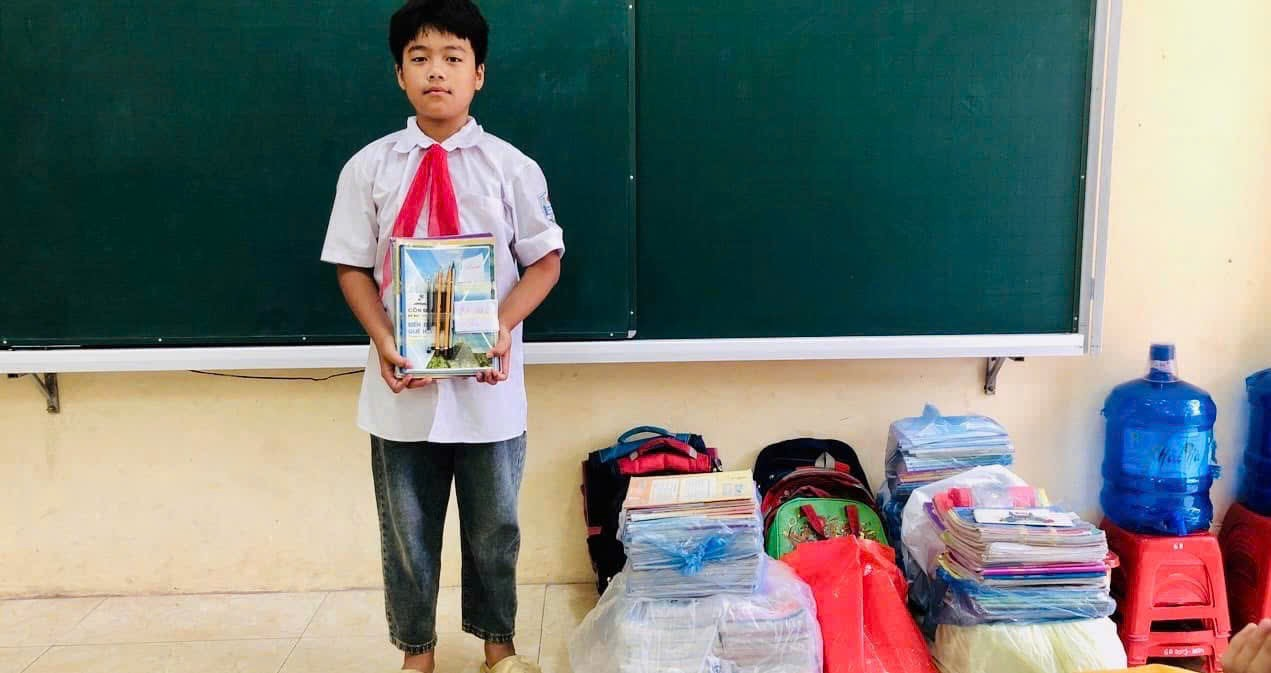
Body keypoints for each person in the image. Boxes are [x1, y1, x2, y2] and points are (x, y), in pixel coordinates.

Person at [319, 1, 564, 670]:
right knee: (407, 531)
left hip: (488, 382)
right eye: (419, 58)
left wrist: (500, 327)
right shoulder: (369, 167)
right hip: (402, 382)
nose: (437, 72)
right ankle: (416, 653)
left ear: (478, 73)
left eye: (453, 58)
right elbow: (351, 266)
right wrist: (381, 337)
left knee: (495, 529)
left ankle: (498, 646)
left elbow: (545, 261)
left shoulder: (511, 167)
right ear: (399, 73)